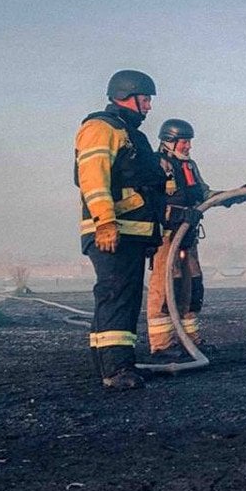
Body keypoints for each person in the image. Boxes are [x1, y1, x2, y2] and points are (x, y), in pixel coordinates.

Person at [74, 70, 167, 389]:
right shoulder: (102, 128)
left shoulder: (130, 133)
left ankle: (114, 364)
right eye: (146, 99)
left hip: (132, 232)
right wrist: (106, 222)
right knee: (117, 296)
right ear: (127, 96)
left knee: (120, 297)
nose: (149, 107)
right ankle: (115, 370)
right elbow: (93, 178)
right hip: (113, 231)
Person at [145, 118, 246, 359]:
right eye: (184, 142)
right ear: (168, 142)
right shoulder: (155, 165)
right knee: (165, 286)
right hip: (166, 237)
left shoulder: (189, 167)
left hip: (187, 237)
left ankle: (189, 340)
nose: (188, 146)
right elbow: (150, 202)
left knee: (191, 285)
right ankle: (162, 344)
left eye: (189, 142)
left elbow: (204, 194)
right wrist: (179, 214)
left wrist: (232, 196)